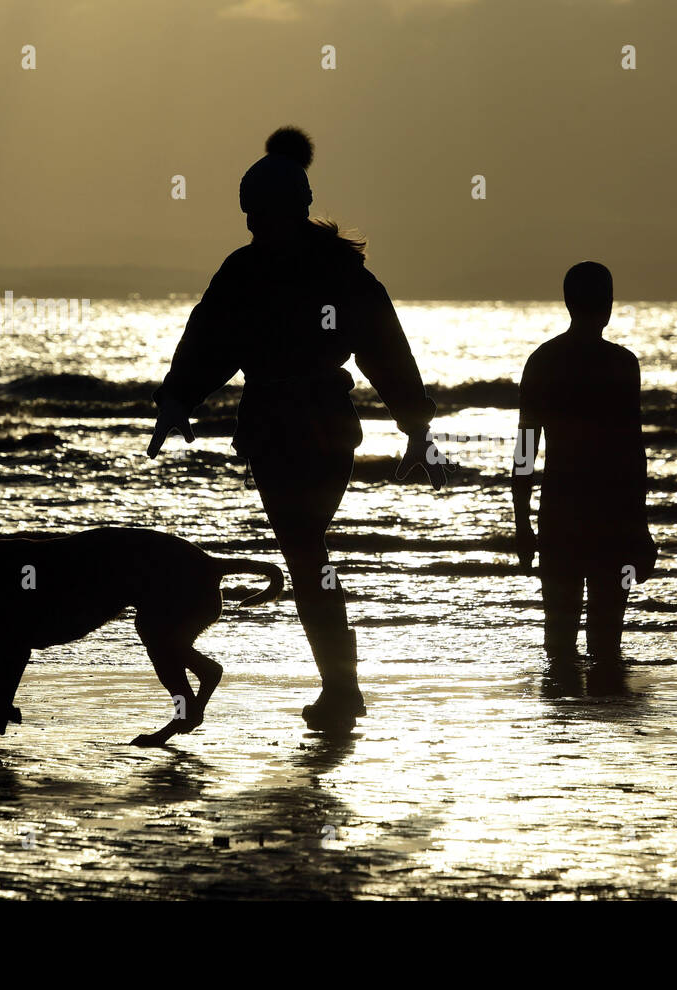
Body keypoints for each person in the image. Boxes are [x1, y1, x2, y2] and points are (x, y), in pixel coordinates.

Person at [147, 126, 451, 734]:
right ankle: (340, 687)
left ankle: (342, 688)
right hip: (279, 431)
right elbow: (209, 340)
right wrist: (177, 399)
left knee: (307, 551)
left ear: (292, 208)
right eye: (249, 216)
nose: (255, 226)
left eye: (261, 214)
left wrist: (417, 427)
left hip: (316, 429)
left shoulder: (334, 271)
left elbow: (384, 350)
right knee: (308, 552)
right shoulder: (254, 269)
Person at [512, 261, 654, 668]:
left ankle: (565, 722)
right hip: (612, 513)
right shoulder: (622, 364)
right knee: (606, 641)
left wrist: (522, 521)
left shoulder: (542, 361)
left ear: (568, 302)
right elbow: (633, 449)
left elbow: (525, 449)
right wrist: (640, 525)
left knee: (558, 641)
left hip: (560, 510)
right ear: (608, 305)